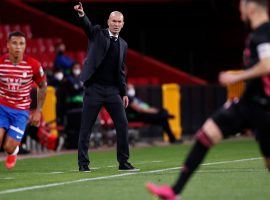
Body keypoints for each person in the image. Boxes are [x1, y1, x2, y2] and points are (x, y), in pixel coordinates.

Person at [146, 0, 270, 199]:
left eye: (242, 5)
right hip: (247, 105)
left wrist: (235, 77)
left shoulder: (264, 32)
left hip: (265, 109)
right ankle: (173, 191)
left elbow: (267, 65)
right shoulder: (256, 34)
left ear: (251, 7)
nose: (240, 10)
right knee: (206, 134)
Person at [74, 2, 139, 172]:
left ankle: (123, 162)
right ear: (108, 22)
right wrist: (82, 14)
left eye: (119, 22)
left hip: (112, 91)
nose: (116, 24)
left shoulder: (123, 44)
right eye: (114, 21)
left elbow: (121, 71)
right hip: (94, 89)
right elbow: (86, 26)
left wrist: (123, 92)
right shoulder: (97, 33)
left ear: (123, 24)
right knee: (86, 127)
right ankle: (83, 164)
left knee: (123, 125)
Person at [0, 31, 47, 169]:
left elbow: (43, 86)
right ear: (8, 45)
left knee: (8, 147)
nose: (18, 47)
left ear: (25, 46)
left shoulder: (33, 65)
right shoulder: (1, 63)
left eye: (21, 43)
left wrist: (38, 111)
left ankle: (13, 152)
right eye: (14, 43)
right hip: (2, 108)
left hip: (20, 112)